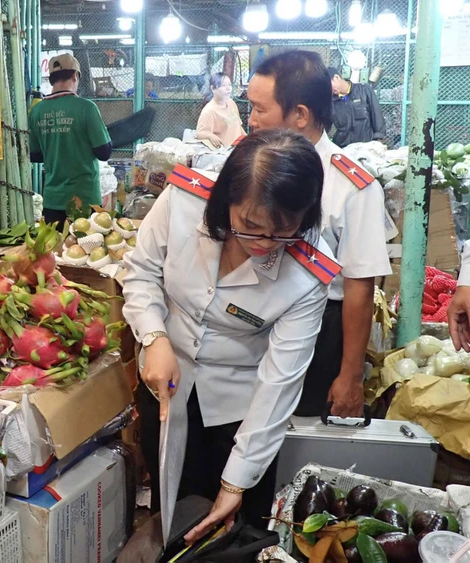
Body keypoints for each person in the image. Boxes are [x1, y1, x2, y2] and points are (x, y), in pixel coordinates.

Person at [123, 129, 335, 540]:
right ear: (226, 202)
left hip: (241, 409)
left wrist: (235, 482)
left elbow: (279, 382)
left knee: (237, 530)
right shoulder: (184, 201)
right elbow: (142, 272)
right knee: (174, 510)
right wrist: (154, 337)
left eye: (283, 231)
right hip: (167, 382)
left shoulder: (309, 274)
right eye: (250, 226)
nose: (265, 243)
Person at [247, 51, 392, 418]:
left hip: (318, 333)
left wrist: (351, 375)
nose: (250, 121)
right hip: (249, 322)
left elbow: (359, 286)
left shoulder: (351, 187)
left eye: (260, 110)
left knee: (299, 430)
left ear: (300, 115)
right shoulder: (246, 168)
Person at [28, 53, 112, 226]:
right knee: (82, 250)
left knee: (55, 250)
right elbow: (104, 152)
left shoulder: (36, 111)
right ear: (75, 75)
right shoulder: (86, 108)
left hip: (52, 199)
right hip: (84, 200)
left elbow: (35, 155)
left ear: (51, 79)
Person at [328, 67, 386, 147]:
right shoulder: (330, 101)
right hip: (343, 147)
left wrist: (378, 140)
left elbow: (376, 114)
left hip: (365, 146)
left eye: (328, 85)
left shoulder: (364, 90)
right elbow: (325, 126)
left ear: (336, 77)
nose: (328, 89)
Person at [195, 73, 246, 147]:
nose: (228, 88)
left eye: (229, 84)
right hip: (223, 153)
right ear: (213, 89)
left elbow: (238, 125)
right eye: (223, 85)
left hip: (238, 149)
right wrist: (210, 136)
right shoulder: (209, 111)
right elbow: (199, 133)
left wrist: (247, 139)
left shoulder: (231, 103)